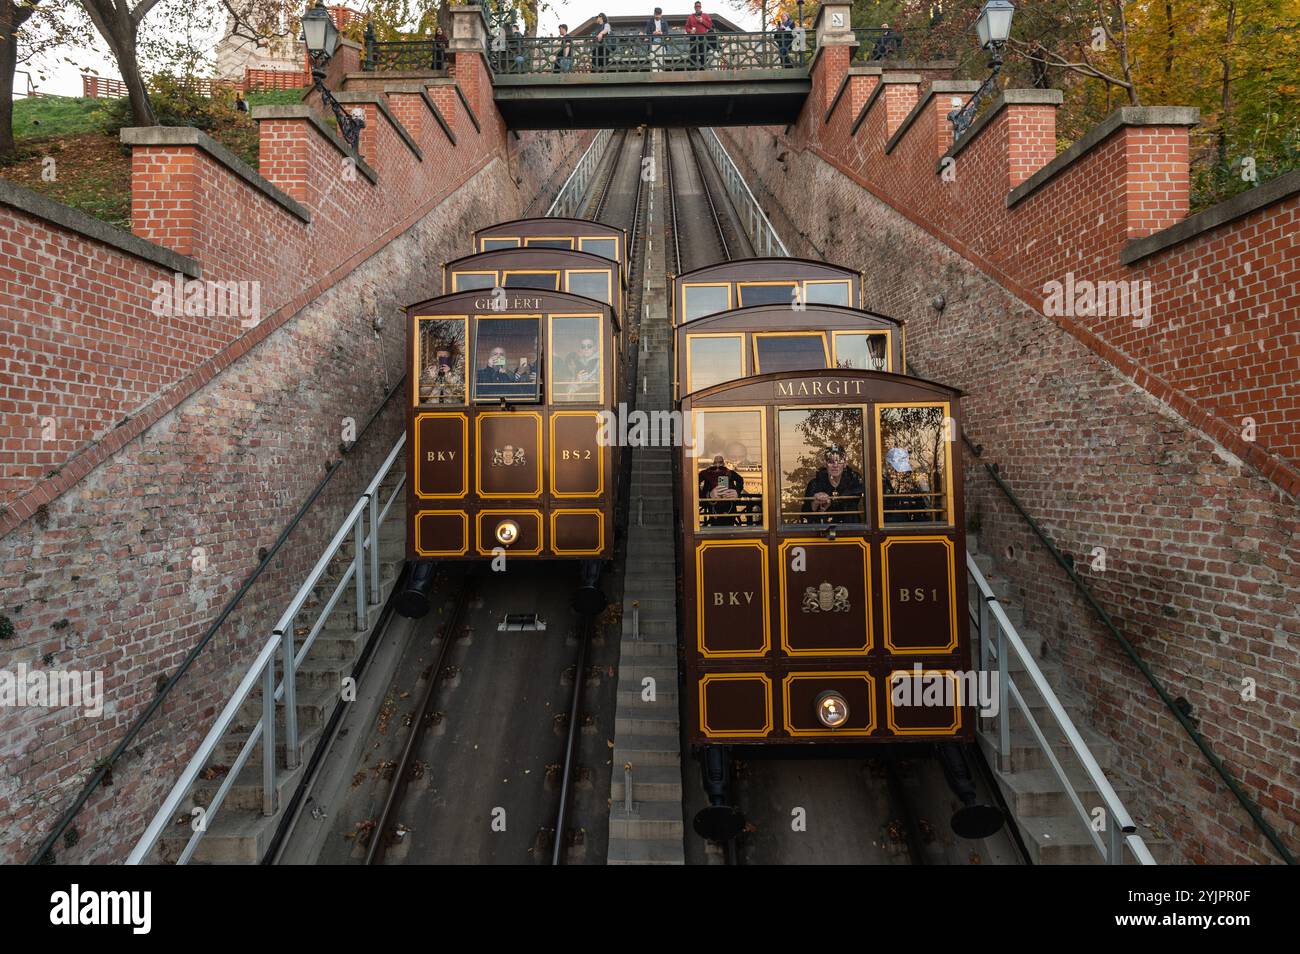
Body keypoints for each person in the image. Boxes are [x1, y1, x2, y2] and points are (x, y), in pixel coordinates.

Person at [801, 446, 865, 524]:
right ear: (825, 464)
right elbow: (804, 517)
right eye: (831, 461)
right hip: (822, 532)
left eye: (839, 461)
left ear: (845, 464)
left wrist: (830, 500)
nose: (835, 465)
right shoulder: (815, 484)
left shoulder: (854, 481)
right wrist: (815, 502)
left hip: (851, 531)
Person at [881, 446, 930, 523]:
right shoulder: (883, 481)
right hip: (891, 520)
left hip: (906, 519)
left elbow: (921, 500)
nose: (901, 473)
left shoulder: (910, 480)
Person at [698, 453, 745, 527]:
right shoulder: (706, 473)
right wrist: (707, 496)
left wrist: (737, 492)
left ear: (723, 463)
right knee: (715, 528)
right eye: (716, 463)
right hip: (713, 506)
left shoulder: (729, 472)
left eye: (719, 463)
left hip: (729, 505)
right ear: (713, 463)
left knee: (729, 528)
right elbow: (695, 483)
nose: (717, 465)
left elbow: (740, 480)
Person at [685, 2, 713, 69]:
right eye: (696, 6)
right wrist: (690, 31)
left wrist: (702, 21)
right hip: (693, 37)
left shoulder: (705, 15)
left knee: (703, 54)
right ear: (694, 7)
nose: (698, 7)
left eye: (699, 6)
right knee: (692, 55)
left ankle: (704, 69)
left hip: (702, 37)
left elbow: (710, 26)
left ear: (701, 7)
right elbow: (686, 28)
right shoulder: (690, 17)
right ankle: (693, 69)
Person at [643, 7, 666, 71]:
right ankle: (654, 74)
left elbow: (666, 33)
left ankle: (661, 74)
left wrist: (661, 33)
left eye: (659, 14)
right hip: (652, 43)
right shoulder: (649, 22)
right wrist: (653, 33)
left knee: (661, 59)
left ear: (661, 14)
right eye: (656, 14)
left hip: (662, 43)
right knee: (653, 60)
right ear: (654, 14)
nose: (657, 16)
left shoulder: (664, 22)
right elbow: (648, 33)